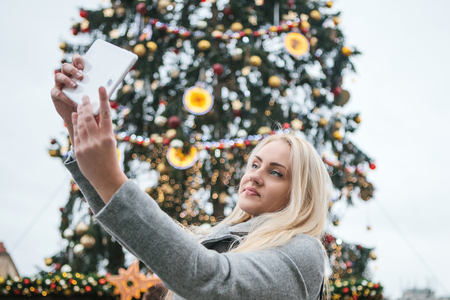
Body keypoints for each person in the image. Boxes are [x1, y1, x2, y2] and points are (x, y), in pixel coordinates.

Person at [51, 54, 332, 300]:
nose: (256, 176)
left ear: (302, 194)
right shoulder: (220, 237)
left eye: (275, 172)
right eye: (254, 165)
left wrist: (111, 176)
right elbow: (138, 230)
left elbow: (208, 279)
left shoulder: (303, 252)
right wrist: (80, 138)